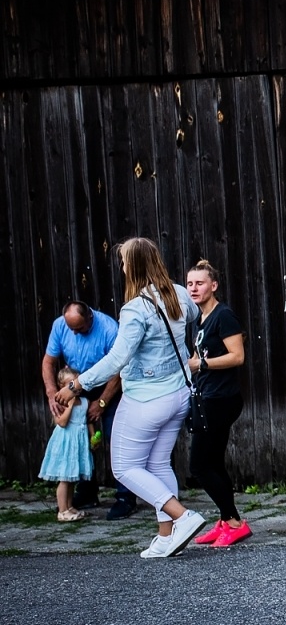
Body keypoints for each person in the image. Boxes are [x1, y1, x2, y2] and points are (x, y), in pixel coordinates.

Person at [53, 238, 206, 558]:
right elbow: (193, 314)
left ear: (133, 266)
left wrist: (74, 386)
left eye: (123, 261)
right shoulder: (178, 293)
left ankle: (183, 516)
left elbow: (115, 360)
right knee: (157, 463)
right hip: (178, 395)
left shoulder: (136, 308)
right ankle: (166, 537)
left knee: (124, 467)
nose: (121, 267)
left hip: (146, 400)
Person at [183, 260, 251, 548]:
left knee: (199, 465)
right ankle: (225, 520)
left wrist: (202, 364)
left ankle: (235, 522)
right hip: (207, 397)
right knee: (213, 462)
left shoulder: (224, 316)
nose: (194, 288)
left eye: (199, 283)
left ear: (214, 285)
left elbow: (237, 357)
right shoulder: (200, 319)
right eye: (189, 284)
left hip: (221, 399)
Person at [42, 301, 132, 517]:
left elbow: (120, 368)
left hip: (107, 384)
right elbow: (48, 362)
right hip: (75, 385)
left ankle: (125, 497)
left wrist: (102, 402)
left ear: (90, 318)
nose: (74, 332)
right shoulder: (60, 325)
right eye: (71, 328)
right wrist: (52, 393)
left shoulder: (109, 329)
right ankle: (87, 492)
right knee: (79, 438)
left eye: (79, 329)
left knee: (115, 438)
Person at [41, 366, 95, 522]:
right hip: (66, 443)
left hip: (79, 443)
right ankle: (62, 511)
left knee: (72, 478)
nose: (73, 387)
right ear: (61, 387)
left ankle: (70, 506)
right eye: (69, 384)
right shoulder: (61, 402)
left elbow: (88, 420)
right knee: (64, 478)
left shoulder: (85, 401)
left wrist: (93, 436)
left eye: (75, 383)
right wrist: (70, 405)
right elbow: (62, 422)